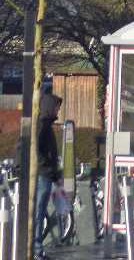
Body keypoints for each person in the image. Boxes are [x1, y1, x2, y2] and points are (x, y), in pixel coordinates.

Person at [34, 87, 63, 260]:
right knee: (38, 212)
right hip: (42, 176)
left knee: (40, 211)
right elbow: (37, 151)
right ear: (49, 107)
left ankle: (36, 248)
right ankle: (36, 249)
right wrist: (47, 168)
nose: (58, 110)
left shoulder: (45, 125)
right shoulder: (43, 125)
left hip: (45, 174)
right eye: (56, 107)